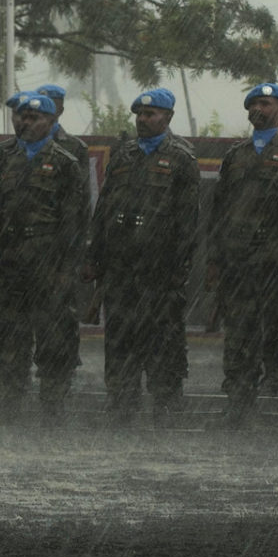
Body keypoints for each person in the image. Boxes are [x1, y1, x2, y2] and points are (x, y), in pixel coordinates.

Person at [205, 83, 278, 425]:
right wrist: (214, 259)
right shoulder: (235, 156)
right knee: (240, 334)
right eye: (254, 103)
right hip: (239, 263)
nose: (259, 108)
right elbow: (219, 212)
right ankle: (239, 401)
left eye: (266, 103)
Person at [86, 87, 201, 425]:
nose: (143, 120)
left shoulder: (181, 157)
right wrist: (95, 256)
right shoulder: (123, 155)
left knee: (163, 338)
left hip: (159, 267)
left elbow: (187, 219)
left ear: (168, 118)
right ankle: (121, 401)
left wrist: (178, 267)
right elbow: (105, 208)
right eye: (140, 114)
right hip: (121, 268)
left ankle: (166, 403)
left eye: (151, 114)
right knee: (120, 337)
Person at [0, 93, 88, 421]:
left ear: (50, 121)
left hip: (48, 261)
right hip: (8, 260)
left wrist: (66, 269)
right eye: (20, 117)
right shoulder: (0, 158)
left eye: (33, 118)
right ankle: (8, 396)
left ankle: (52, 398)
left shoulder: (64, 163)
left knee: (53, 333)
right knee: (8, 332)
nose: (25, 123)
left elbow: (74, 222)